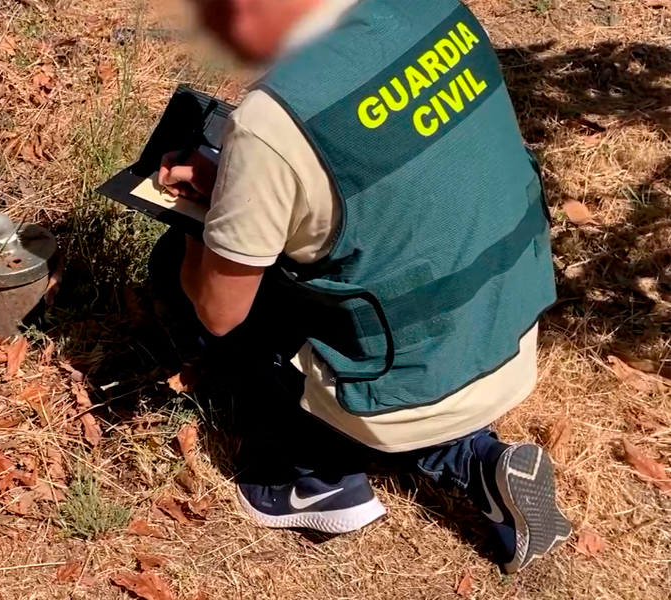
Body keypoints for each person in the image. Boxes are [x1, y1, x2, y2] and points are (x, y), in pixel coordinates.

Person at [151, 0, 571, 573]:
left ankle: (317, 476)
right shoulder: (439, 12)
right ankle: (475, 455)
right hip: (504, 327)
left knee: (179, 272)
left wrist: (205, 218)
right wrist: (242, 185)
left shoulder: (273, 121)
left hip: (399, 377)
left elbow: (220, 311)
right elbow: (394, 182)